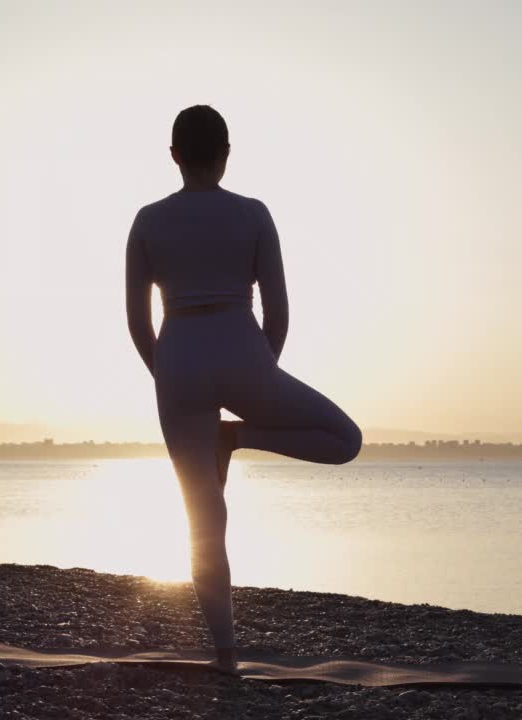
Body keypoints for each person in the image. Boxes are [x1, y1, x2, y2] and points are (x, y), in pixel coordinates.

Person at [125, 105, 362, 671]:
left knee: (203, 515)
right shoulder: (252, 214)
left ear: (175, 156)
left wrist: (169, 377)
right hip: (242, 351)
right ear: (225, 155)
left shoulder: (148, 220)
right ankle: (238, 438)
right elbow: (278, 312)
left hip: (178, 354)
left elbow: (137, 321)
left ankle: (226, 655)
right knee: (345, 439)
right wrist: (260, 375)